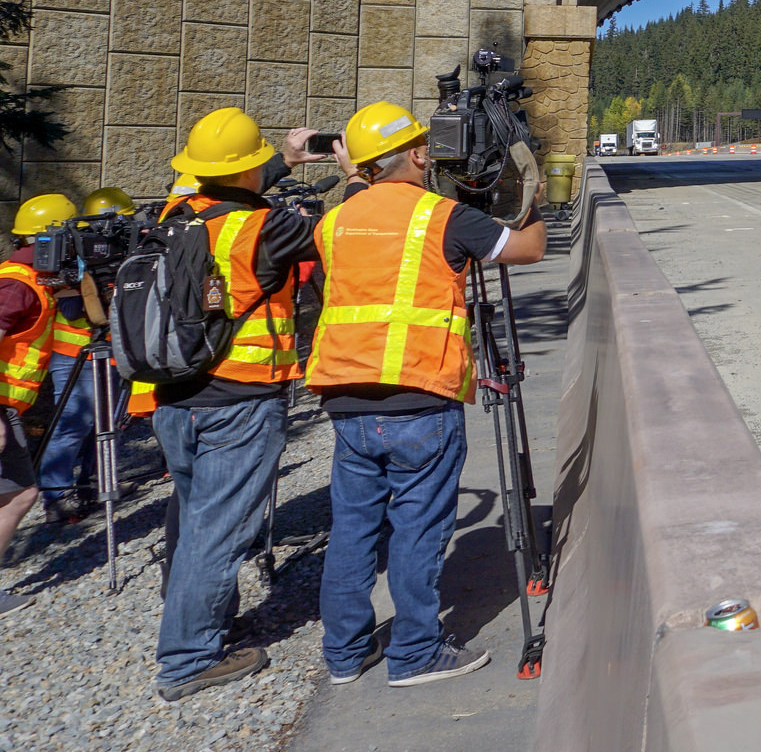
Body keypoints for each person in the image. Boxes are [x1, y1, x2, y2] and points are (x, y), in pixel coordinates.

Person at [306, 101, 545, 687]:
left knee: (354, 529)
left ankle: (344, 654)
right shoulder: (442, 217)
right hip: (417, 395)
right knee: (418, 525)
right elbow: (529, 249)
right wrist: (531, 191)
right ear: (417, 154)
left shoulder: (332, 221)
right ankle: (415, 654)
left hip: (345, 398)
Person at [150, 109, 329, 702]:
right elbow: (335, 234)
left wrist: (283, 161)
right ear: (250, 170)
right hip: (240, 397)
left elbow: (232, 200)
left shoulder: (173, 217)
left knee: (196, 513)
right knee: (219, 529)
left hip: (175, 395)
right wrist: (355, 174)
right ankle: (187, 659)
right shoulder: (265, 228)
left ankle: (205, 623)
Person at [36, 187, 133, 522]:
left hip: (117, 350)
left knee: (111, 424)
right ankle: (56, 496)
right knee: (73, 425)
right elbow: (74, 306)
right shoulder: (72, 256)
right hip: (75, 354)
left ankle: (98, 485)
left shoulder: (131, 252)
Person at [0, 194, 76, 616]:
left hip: (9, 409)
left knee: (18, 494)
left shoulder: (26, 278)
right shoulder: (16, 285)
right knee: (17, 494)